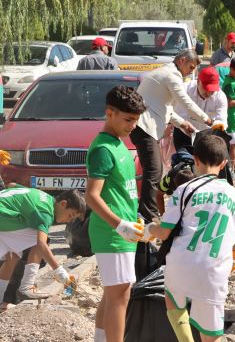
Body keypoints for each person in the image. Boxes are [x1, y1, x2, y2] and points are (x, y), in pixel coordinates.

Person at [144, 135, 235, 342]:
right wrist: (233, 249)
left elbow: (164, 232)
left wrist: (148, 228)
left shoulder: (183, 190)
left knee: (172, 299)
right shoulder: (231, 193)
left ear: (194, 159)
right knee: (210, 335)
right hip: (213, 271)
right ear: (223, 163)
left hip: (181, 264)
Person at [85, 85, 147, 342]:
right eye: (128, 119)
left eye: (136, 120)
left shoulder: (118, 143)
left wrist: (133, 218)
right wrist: (120, 224)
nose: (132, 125)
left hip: (123, 232)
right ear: (109, 113)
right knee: (121, 296)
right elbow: (92, 195)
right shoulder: (103, 149)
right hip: (113, 234)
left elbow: (123, 191)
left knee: (112, 295)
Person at [130, 49, 212, 223]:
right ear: (181, 60)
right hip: (145, 127)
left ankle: (146, 212)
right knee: (154, 170)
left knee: (154, 170)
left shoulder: (167, 73)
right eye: (190, 67)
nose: (191, 72)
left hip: (145, 127)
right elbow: (185, 102)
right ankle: (147, 213)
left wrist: (182, 123)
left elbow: (165, 108)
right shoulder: (171, 75)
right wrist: (207, 119)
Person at [0, 188, 82, 307]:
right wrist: (62, 274)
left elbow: (13, 185)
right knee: (40, 237)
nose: (69, 220)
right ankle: (27, 285)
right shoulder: (45, 212)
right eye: (70, 215)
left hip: (4, 216)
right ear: (63, 204)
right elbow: (41, 244)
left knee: (13, 255)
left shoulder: (46, 198)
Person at [172, 67, 228, 152]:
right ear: (198, 82)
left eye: (212, 90)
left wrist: (217, 125)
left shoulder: (220, 97)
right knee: (184, 161)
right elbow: (171, 110)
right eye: (206, 88)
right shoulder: (184, 90)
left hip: (207, 136)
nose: (209, 93)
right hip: (183, 133)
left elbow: (222, 122)